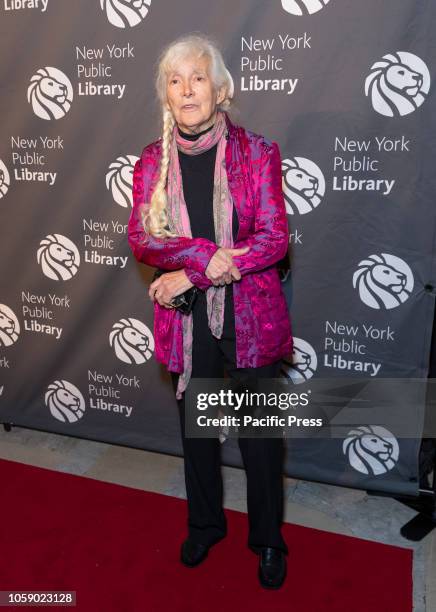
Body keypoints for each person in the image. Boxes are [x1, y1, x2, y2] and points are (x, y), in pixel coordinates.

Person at [127, 33, 293, 589]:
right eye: (176, 80)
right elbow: (142, 239)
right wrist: (203, 258)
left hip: (249, 315)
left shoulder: (257, 152)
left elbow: (273, 241)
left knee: (259, 437)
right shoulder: (153, 161)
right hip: (188, 317)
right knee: (197, 430)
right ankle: (205, 524)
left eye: (198, 77)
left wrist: (190, 269)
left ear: (220, 90)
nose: (187, 89)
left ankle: (269, 540)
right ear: (166, 97)